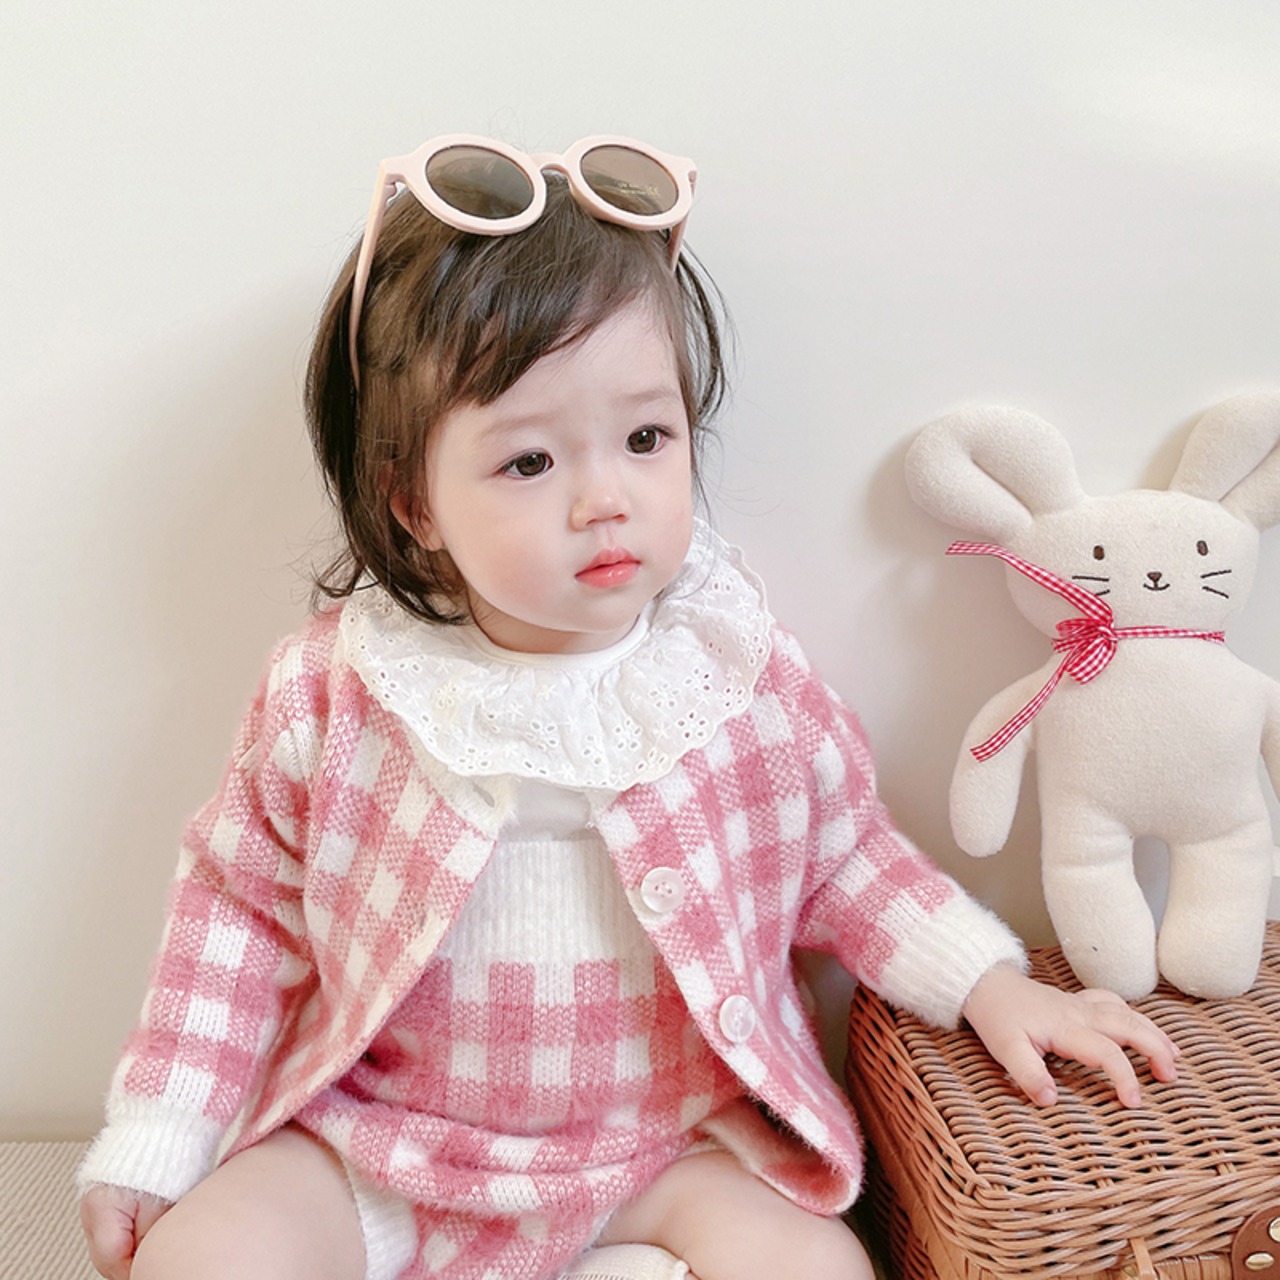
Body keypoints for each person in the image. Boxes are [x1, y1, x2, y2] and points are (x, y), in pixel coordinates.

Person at [77, 134, 1178, 1280]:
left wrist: (987, 981)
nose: (604, 497)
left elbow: (844, 860)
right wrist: (158, 1139)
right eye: (529, 462)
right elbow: (238, 915)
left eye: (645, 438)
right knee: (200, 1256)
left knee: (816, 1269)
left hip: (663, 1151)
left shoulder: (731, 672)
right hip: (383, 1142)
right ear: (412, 503)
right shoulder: (337, 689)